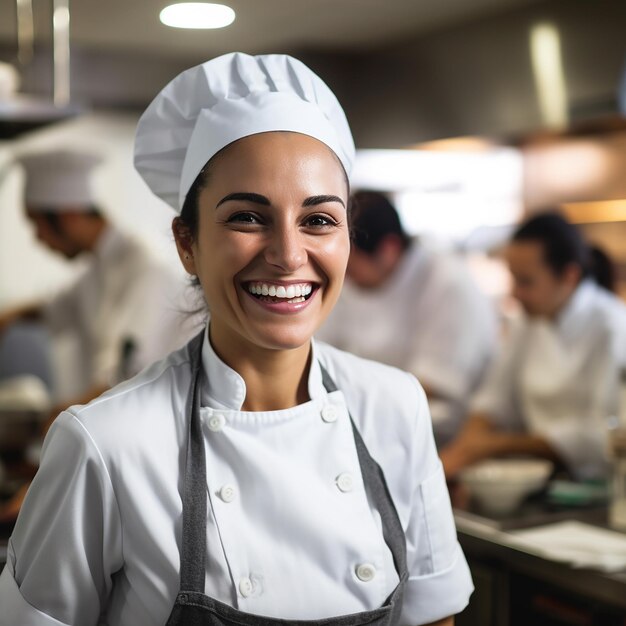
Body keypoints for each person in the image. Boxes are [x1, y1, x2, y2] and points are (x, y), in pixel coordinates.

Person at [0, 53, 473, 625]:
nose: (288, 255)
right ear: (187, 243)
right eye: (248, 217)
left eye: (319, 220)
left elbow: (434, 617)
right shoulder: (103, 444)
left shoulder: (395, 406)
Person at [0, 148, 194, 522]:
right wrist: (8, 316)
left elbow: (125, 374)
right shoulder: (100, 267)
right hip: (118, 442)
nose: (38, 239)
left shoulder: (145, 266)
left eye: (37, 224)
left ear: (68, 215)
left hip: (159, 456)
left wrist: (61, 426)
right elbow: (54, 307)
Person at [441, 212, 626, 481]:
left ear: (569, 276)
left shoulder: (613, 328)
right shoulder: (526, 322)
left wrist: (496, 445)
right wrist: (466, 448)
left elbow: (603, 434)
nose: (514, 293)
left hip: (597, 483)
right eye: (513, 278)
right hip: (535, 477)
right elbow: (494, 398)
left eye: (526, 281)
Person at [317, 190, 497, 446]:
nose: (345, 276)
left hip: (440, 435)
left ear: (389, 249)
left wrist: (347, 398)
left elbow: (434, 384)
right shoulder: (351, 283)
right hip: (365, 417)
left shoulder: (447, 283)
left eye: (351, 266)